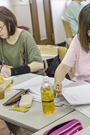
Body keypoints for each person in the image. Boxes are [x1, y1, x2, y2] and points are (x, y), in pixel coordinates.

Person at [0, 6, 45, 135]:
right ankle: (15, 131)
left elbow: (38, 64)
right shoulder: (1, 39)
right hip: (16, 83)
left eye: (0, 27)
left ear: (9, 22)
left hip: (33, 82)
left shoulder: (25, 37)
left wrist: (13, 70)